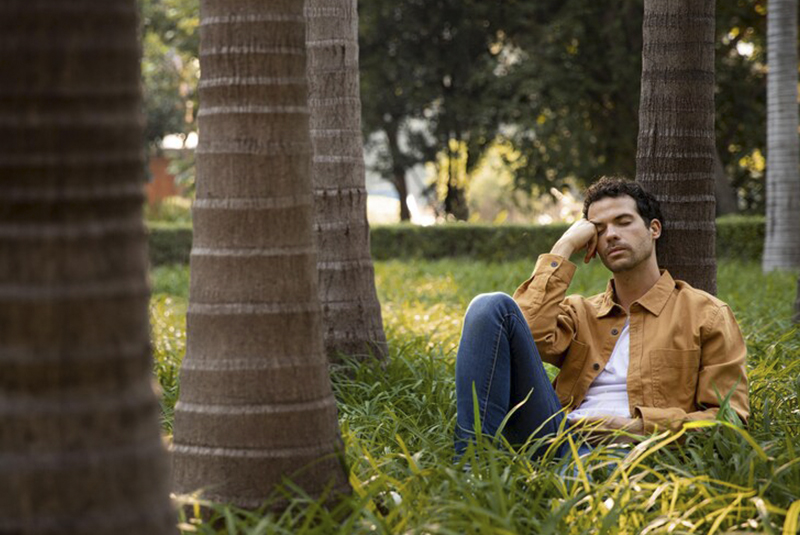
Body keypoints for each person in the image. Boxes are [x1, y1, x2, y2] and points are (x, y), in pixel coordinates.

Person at [454, 177, 749, 458]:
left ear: (654, 229)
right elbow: (525, 335)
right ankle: (471, 465)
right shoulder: (581, 312)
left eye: (623, 222)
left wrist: (632, 429)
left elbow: (729, 421)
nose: (612, 235)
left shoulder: (705, 315)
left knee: (581, 487)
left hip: (635, 449)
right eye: (599, 229)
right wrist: (564, 247)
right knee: (488, 306)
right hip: (556, 434)